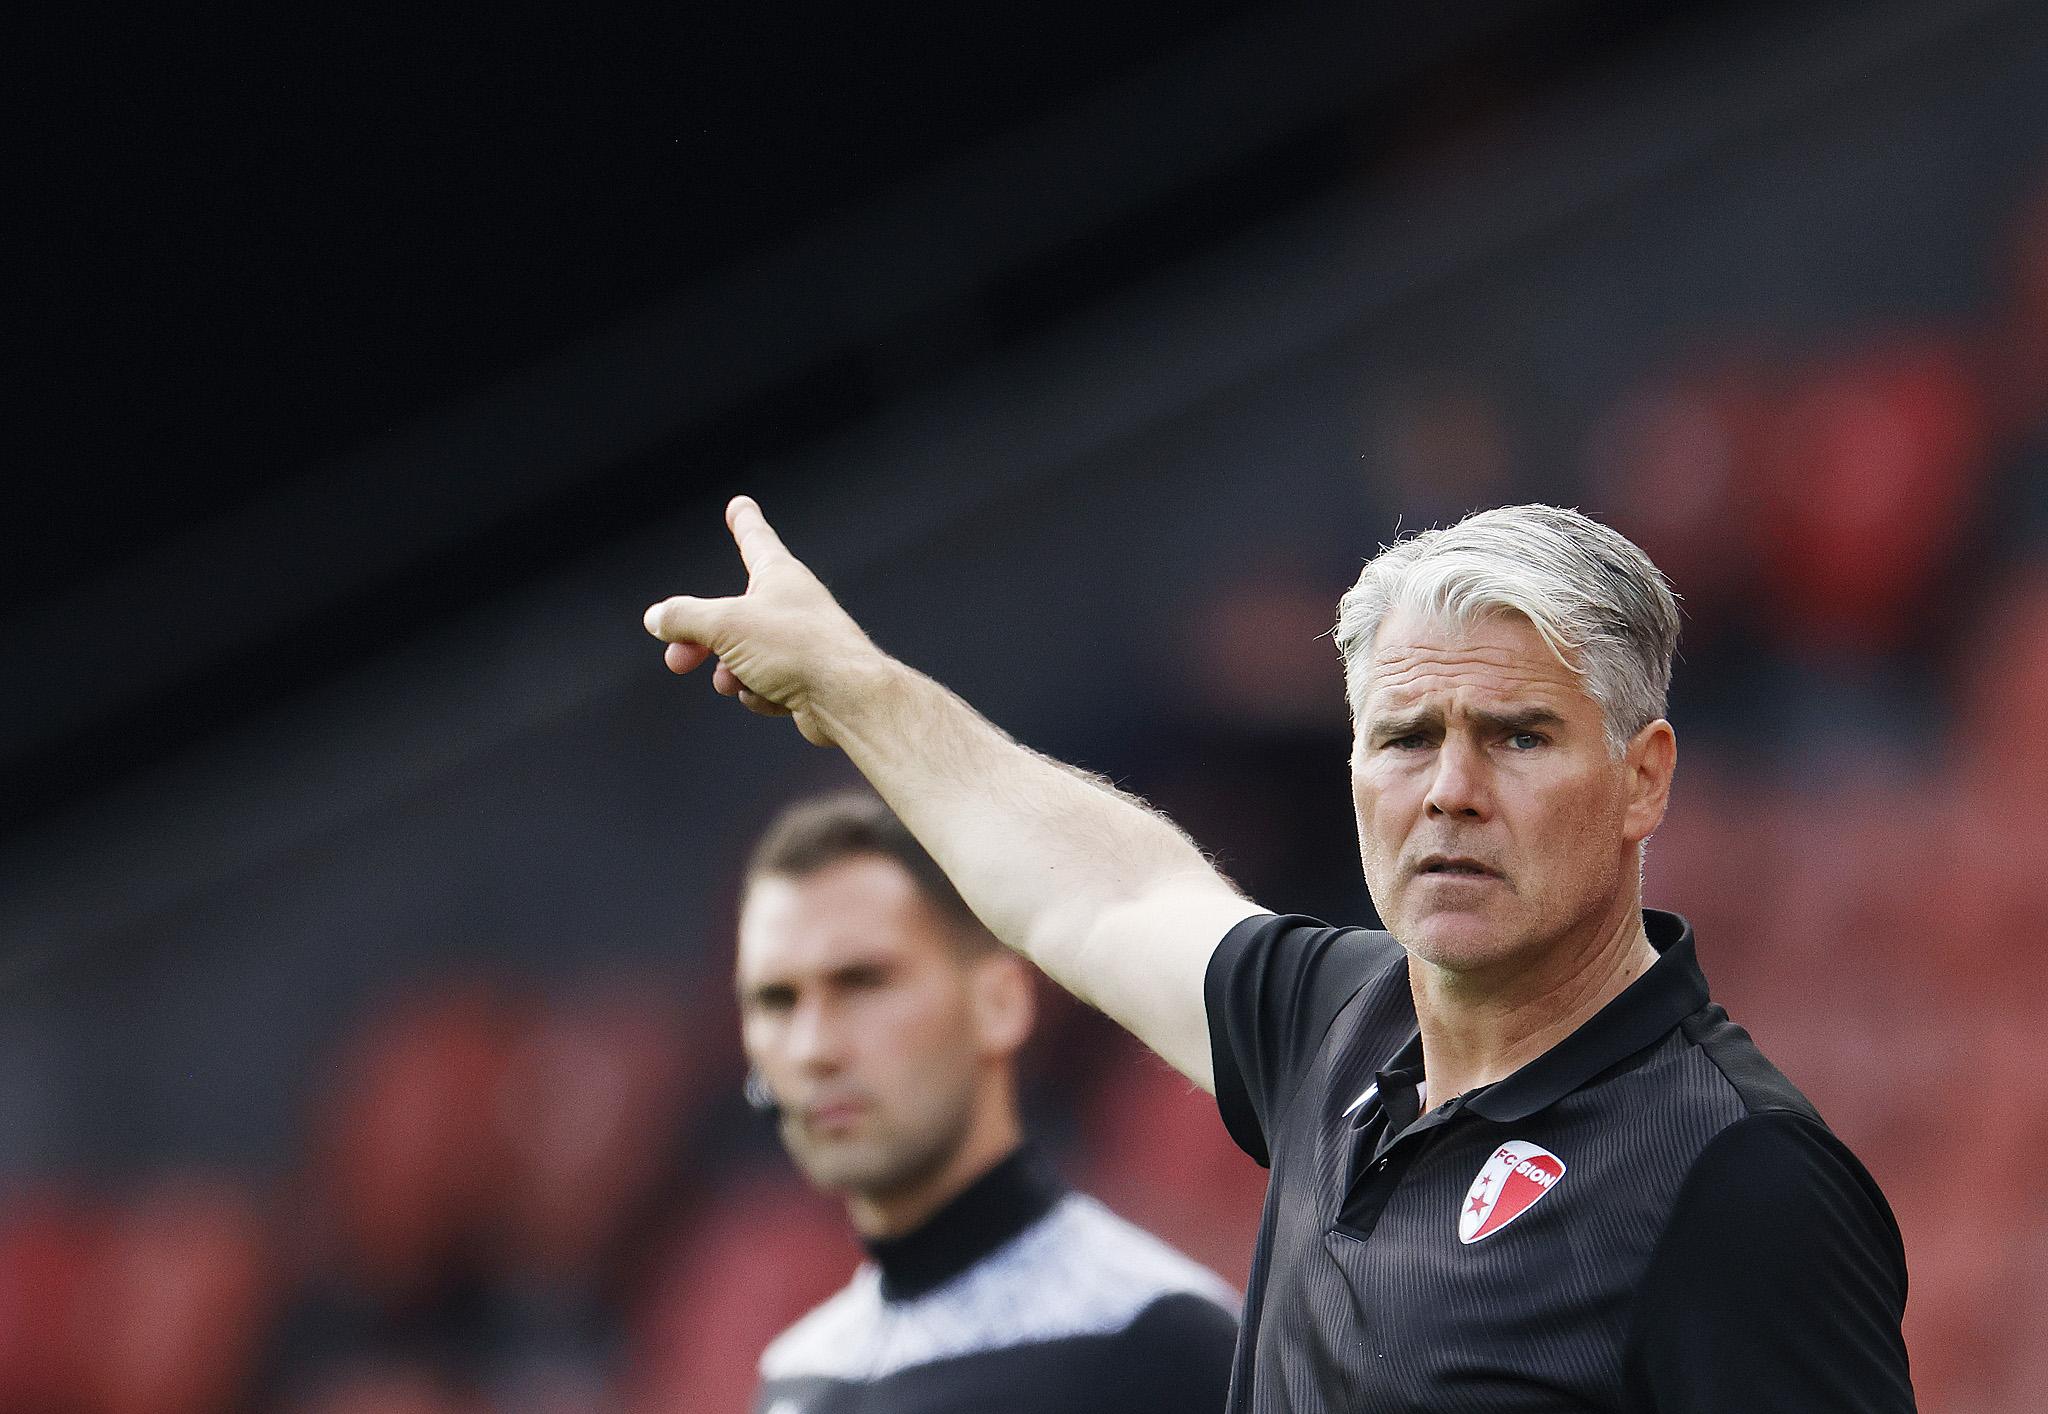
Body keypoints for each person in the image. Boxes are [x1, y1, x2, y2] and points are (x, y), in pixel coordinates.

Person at [647, 498, 1917, 1411]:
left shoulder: (1732, 1174)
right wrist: (857, 689)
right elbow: (1096, 889)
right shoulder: (1337, 1023)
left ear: (1641, 781)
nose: (1449, 791)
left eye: (1518, 737)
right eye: (1406, 736)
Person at [733, 789, 1239, 1414]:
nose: (814, 1048)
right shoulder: (798, 1376)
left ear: (1000, 1002)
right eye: (776, 1001)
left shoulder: (1159, 1343)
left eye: (862, 982)